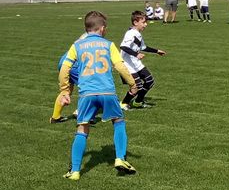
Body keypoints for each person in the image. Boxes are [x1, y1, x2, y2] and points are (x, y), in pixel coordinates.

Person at [57, 10, 139, 180]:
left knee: (82, 128)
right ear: (102, 28)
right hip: (107, 92)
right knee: (118, 121)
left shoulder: (77, 45)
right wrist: (132, 84)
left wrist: (65, 90)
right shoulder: (108, 45)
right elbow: (120, 66)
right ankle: (120, 158)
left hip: (87, 94)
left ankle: (76, 171)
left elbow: (64, 68)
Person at [120, 10, 167, 110]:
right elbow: (123, 46)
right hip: (128, 65)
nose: (145, 25)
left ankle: (138, 102)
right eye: (144, 22)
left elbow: (143, 47)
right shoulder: (130, 33)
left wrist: (156, 51)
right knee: (137, 87)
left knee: (150, 81)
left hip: (136, 63)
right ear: (135, 22)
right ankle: (124, 103)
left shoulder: (138, 34)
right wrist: (136, 54)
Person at [51, 33, 88, 124]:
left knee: (67, 90)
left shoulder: (87, 33)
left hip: (65, 59)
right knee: (88, 88)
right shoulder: (94, 36)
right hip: (73, 64)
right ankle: (80, 113)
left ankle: (55, 117)